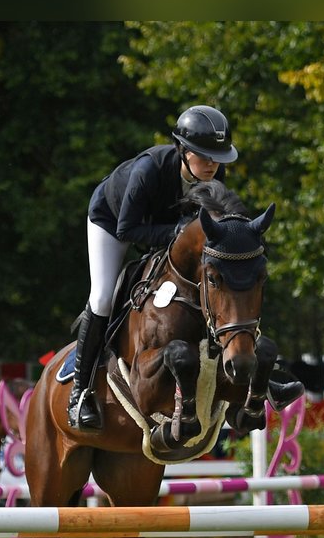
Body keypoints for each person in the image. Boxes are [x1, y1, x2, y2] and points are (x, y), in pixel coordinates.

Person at [71, 105, 238, 430]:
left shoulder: (214, 172)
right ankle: (81, 394)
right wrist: (178, 232)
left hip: (165, 225)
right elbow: (128, 231)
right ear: (183, 151)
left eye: (217, 157)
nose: (212, 164)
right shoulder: (149, 169)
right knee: (104, 295)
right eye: (204, 156)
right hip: (113, 219)